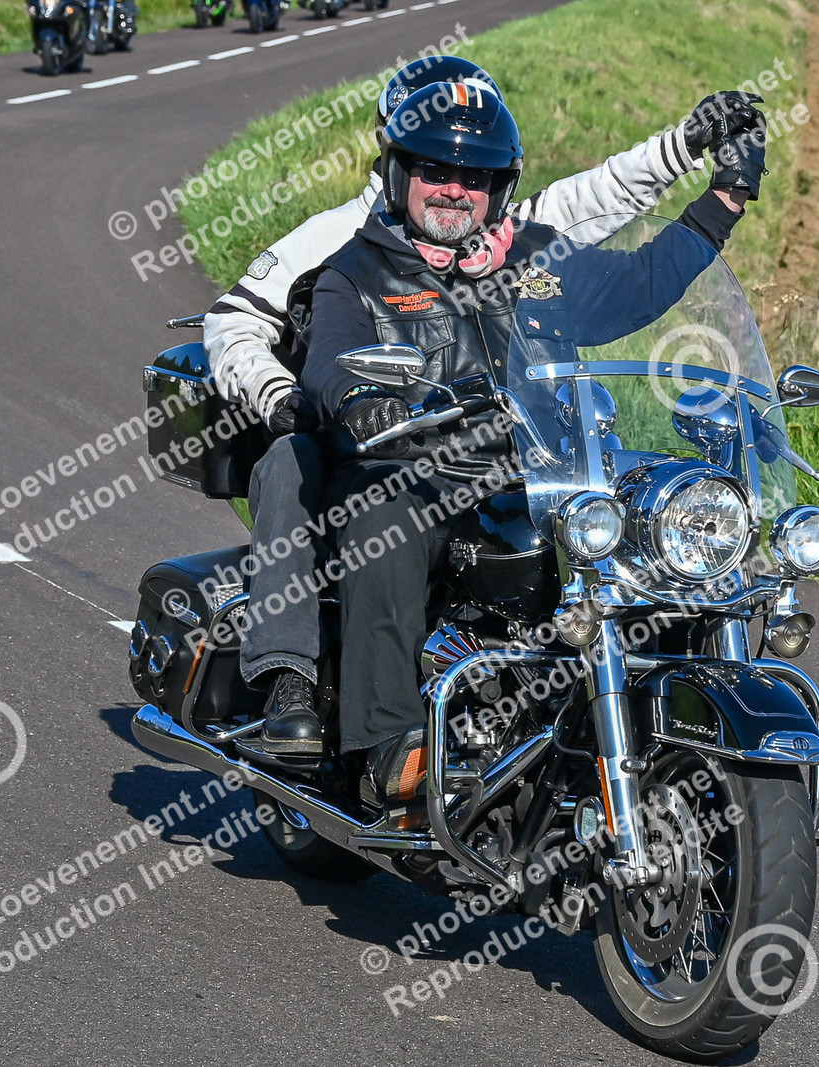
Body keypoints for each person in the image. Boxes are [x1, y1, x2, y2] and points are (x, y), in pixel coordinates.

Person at [243, 80, 764, 817]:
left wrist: (726, 199)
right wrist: (362, 397)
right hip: (416, 474)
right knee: (384, 523)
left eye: (476, 177)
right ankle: (390, 744)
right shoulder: (354, 273)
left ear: (500, 187)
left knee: (665, 526)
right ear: (399, 173)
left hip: (537, 478)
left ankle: (683, 738)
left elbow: (641, 284)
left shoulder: (536, 260)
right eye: (436, 170)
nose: (455, 190)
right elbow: (330, 357)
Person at [202, 54, 762, 434]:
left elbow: (590, 204)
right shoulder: (338, 247)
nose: (456, 181)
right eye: (435, 160)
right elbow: (234, 321)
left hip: (531, 465)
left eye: (476, 163)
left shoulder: (504, 235)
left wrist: (691, 149)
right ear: (395, 147)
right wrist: (282, 395)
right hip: (396, 463)